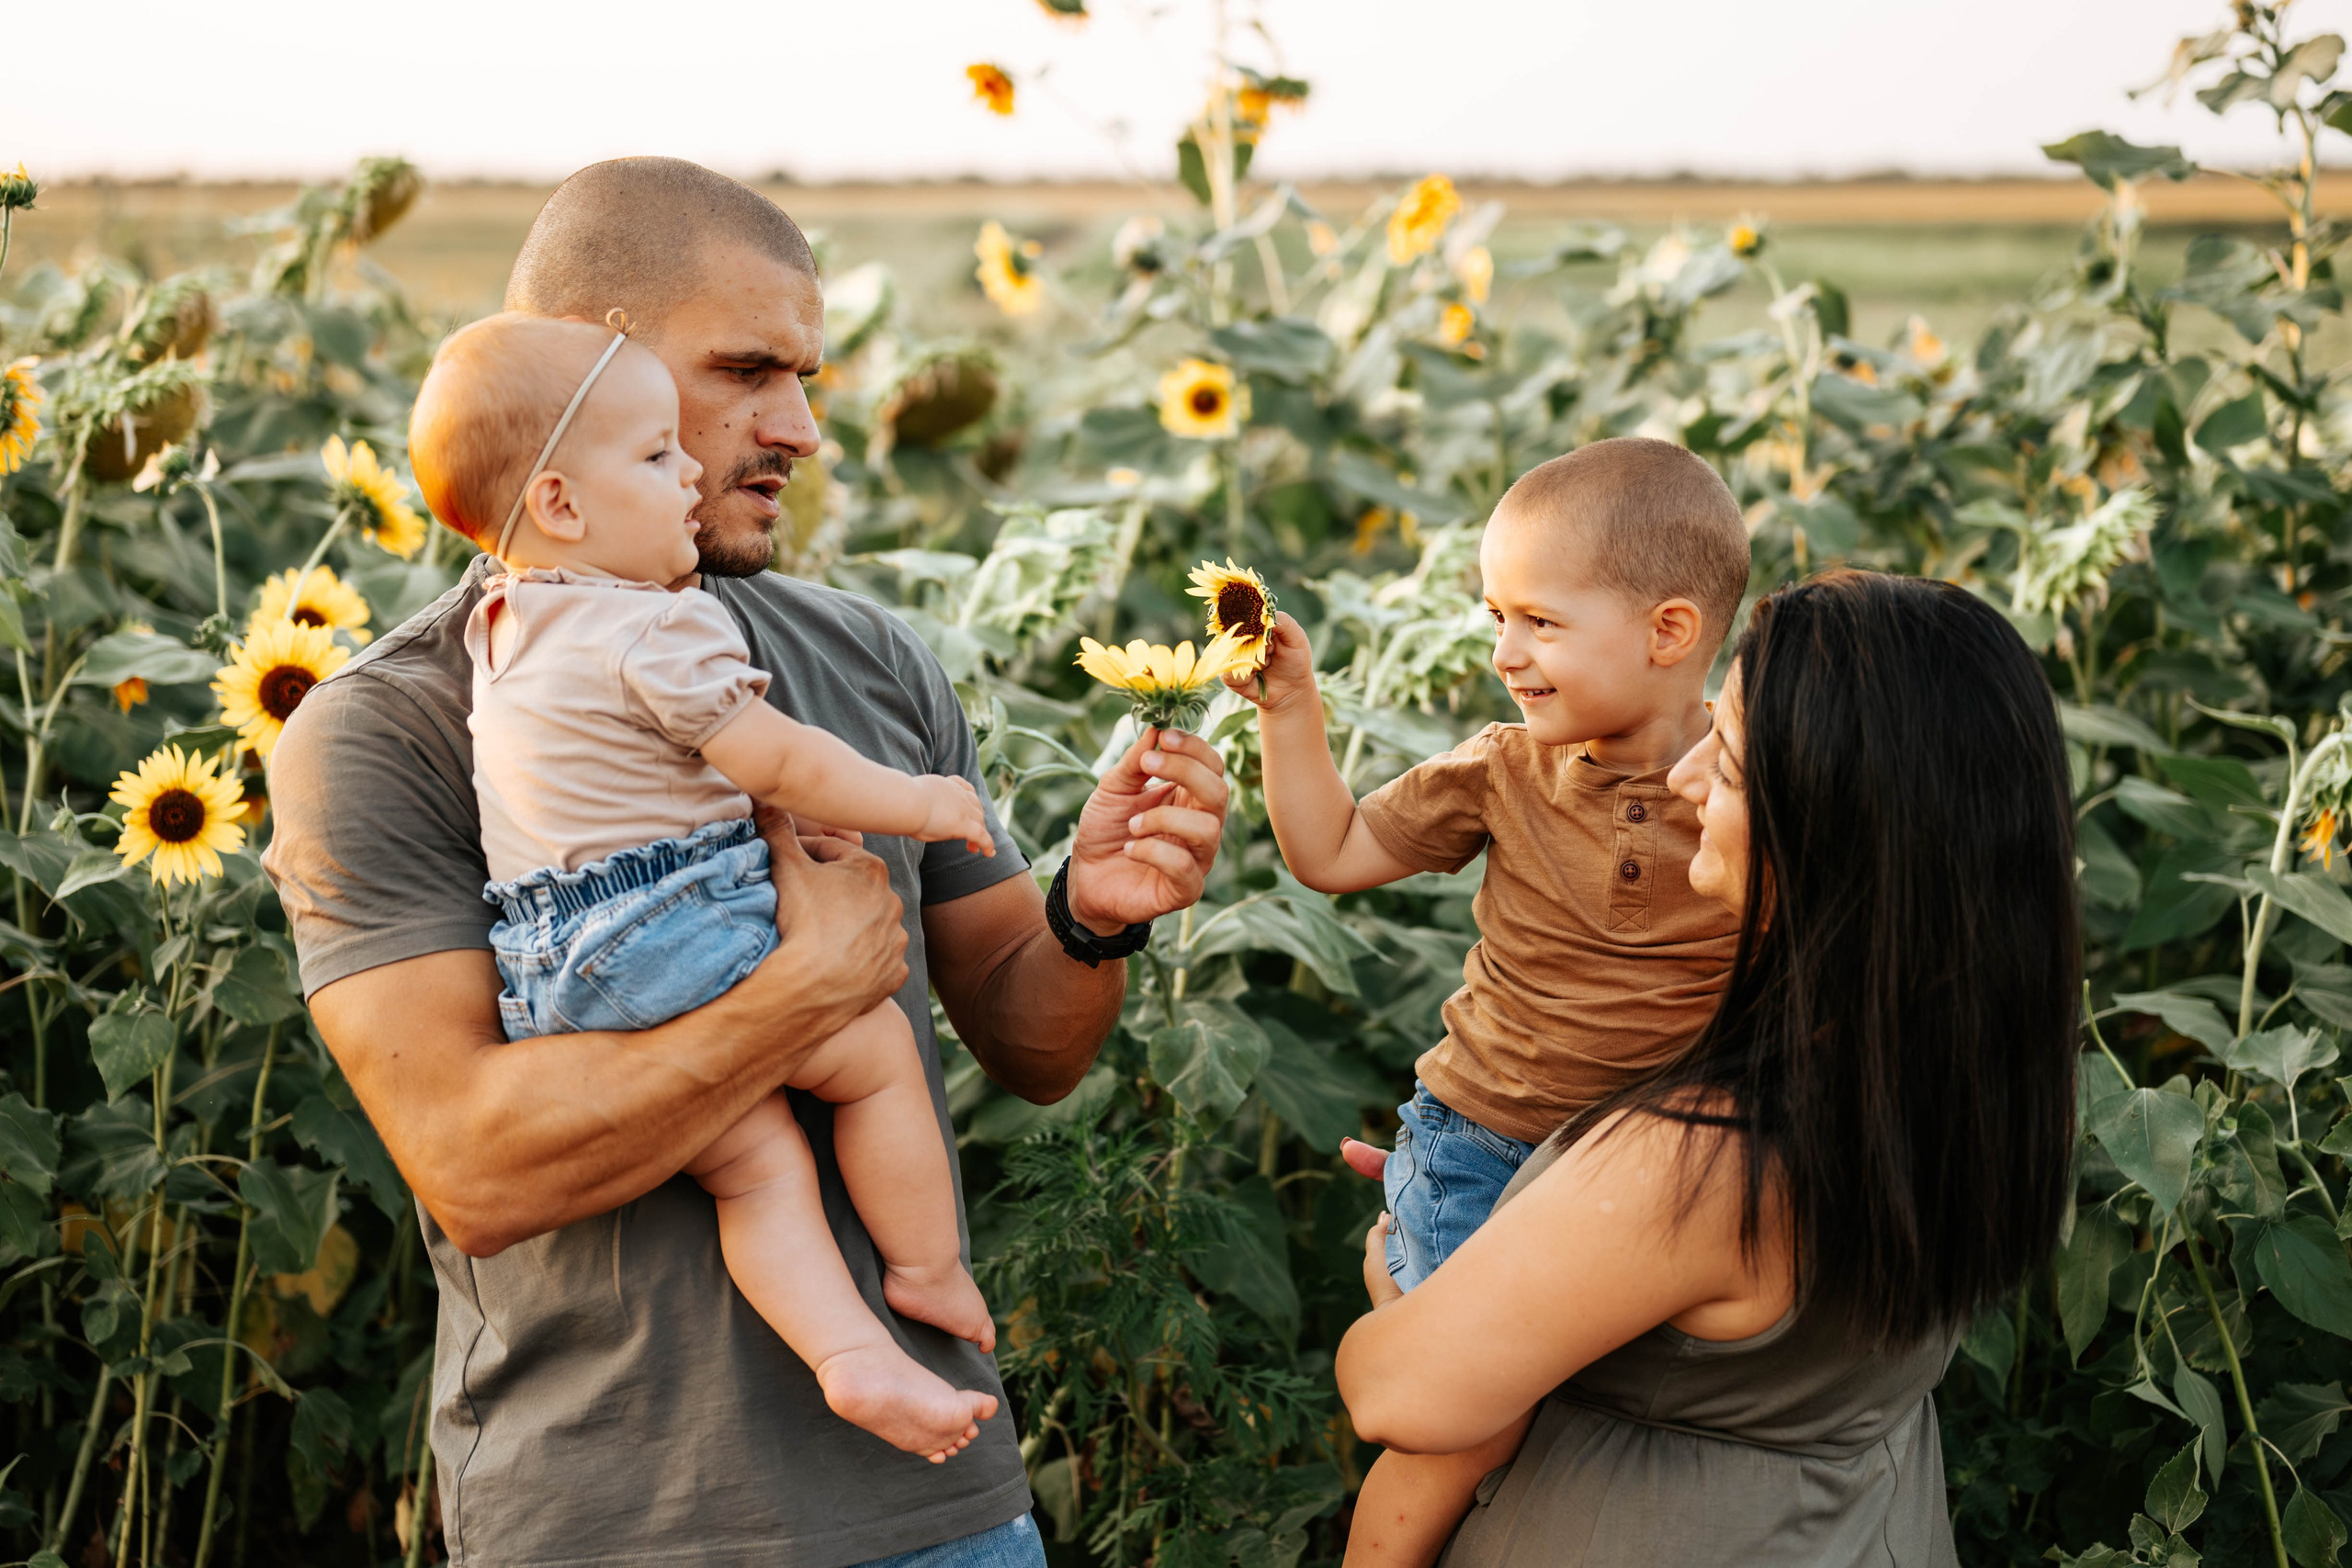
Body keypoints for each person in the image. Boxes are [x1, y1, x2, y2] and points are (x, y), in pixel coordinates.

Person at [263, 158, 1232, 1568]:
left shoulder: (866, 656)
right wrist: (805, 986)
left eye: (808, 376)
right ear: (595, 363)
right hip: (616, 1522)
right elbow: (477, 1164)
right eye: (748, 371)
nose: (802, 427)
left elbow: (1032, 1042)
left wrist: (1094, 913)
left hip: (945, 1508)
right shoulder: (388, 723)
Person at [1333, 570, 2081, 1566]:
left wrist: (1405, 1281)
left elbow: (1398, 1391)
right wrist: (1537, 1217)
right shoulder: (1967, 1080)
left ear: (1826, 826)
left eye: (1723, 762)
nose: (1681, 782)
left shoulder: (1703, 1159)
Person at [408, 310, 1004, 1461]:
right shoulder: (652, 627)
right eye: (653, 455)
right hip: (665, 929)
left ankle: (850, 1358)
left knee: (754, 1166)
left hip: (555, 973)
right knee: (873, 1059)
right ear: (562, 508)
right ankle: (925, 1275)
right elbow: (776, 759)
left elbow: (624, 778)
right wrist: (917, 801)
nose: (687, 470)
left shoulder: (501, 627)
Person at [1224, 439, 1749, 1562]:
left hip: (1645, 1175)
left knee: (1582, 1405)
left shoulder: (1753, 787)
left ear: (1668, 633)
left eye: (1540, 623)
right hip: (1486, 1143)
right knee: (1460, 1424)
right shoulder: (1502, 772)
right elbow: (1334, 846)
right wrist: (1288, 711)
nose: (1504, 652)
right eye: (1494, 617)